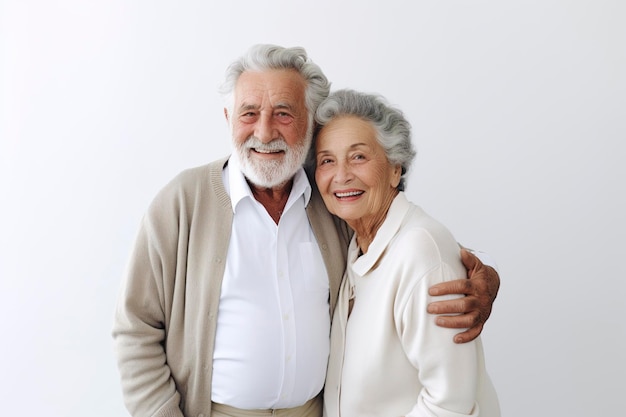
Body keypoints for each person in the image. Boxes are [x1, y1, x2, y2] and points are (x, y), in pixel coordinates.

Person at [112, 44, 500, 417]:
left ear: (311, 122)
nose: (264, 132)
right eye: (249, 113)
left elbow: (402, 247)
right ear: (228, 119)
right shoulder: (182, 202)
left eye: (283, 113)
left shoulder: (331, 198)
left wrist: (478, 277)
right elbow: (136, 329)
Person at [314, 89, 500, 417]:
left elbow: (450, 404)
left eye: (358, 156)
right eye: (327, 160)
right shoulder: (357, 244)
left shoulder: (420, 250)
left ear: (395, 169)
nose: (341, 175)